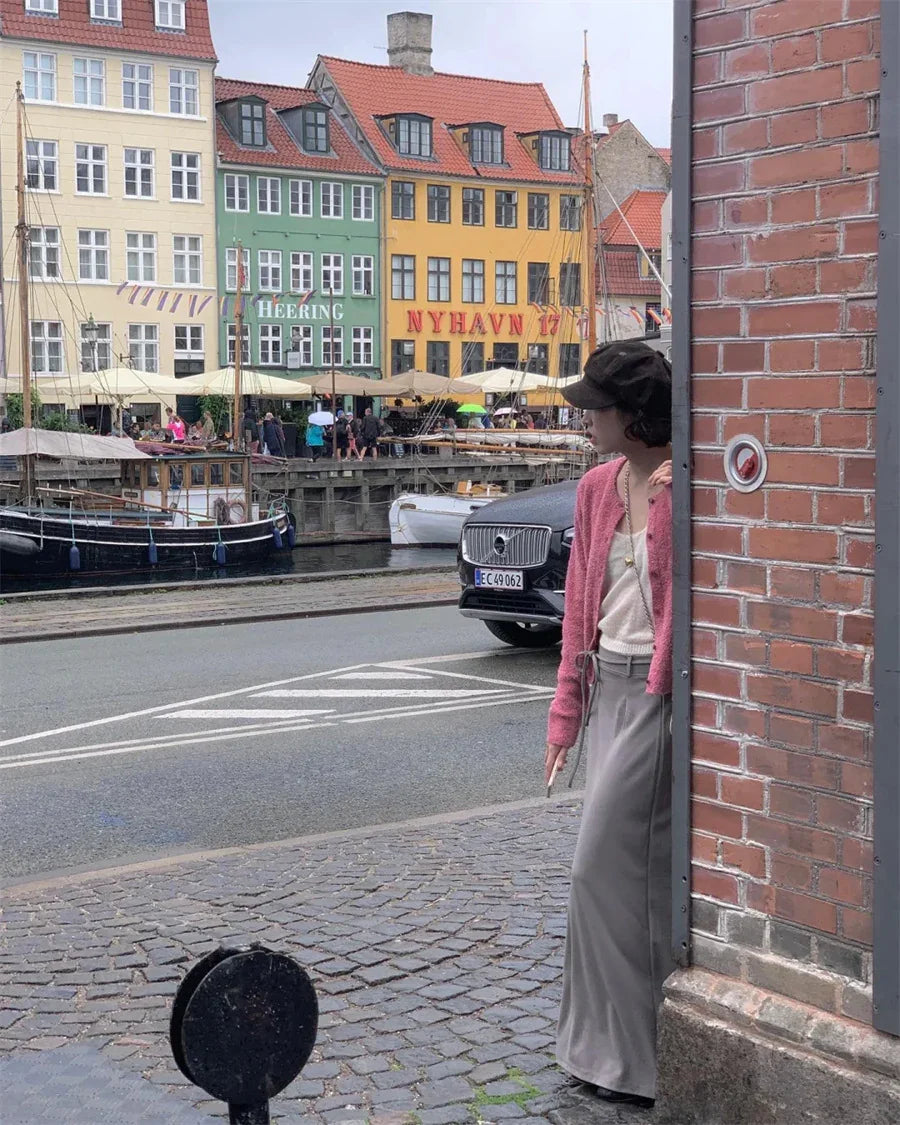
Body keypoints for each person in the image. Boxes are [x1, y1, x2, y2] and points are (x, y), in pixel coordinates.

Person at [544, 340, 674, 1110]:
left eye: (597, 406)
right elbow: (577, 614)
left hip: (658, 697)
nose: (586, 418)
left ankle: (643, 1061)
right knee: (624, 881)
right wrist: (565, 716)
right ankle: (597, 1051)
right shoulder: (598, 487)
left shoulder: (682, 485)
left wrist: (682, 497)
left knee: (601, 871)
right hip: (608, 693)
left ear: (633, 413)